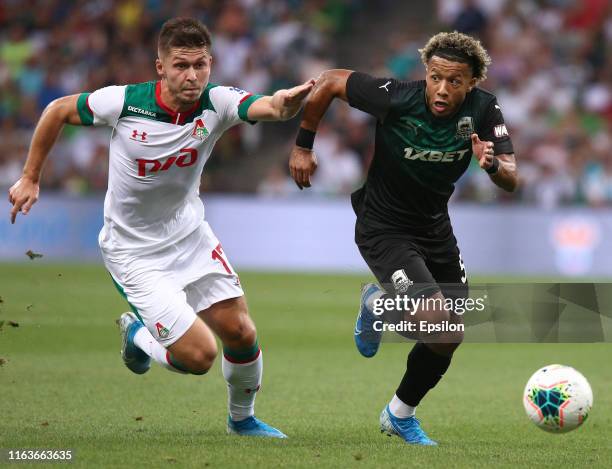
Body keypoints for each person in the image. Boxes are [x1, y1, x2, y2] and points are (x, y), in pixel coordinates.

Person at [9, 17, 314, 438]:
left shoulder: (217, 102)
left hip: (189, 237)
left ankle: (242, 420)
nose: (192, 76)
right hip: (133, 253)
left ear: (211, 64)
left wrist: (286, 102)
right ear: (161, 67)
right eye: (181, 65)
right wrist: (30, 176)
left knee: (241, 332)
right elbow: (57, 110)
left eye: (201, 65)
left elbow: (269, 106)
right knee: (199, 356)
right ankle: (136, 335)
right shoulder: (123, 103)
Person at [289, 31, 518, 445]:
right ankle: (379, 306)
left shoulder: (485, 109)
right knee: (433, 319)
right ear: (425, 74)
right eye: (435, 77)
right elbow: (328, 82)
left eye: (454, 81)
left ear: (471, 83)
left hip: (435, 229)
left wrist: (491, 166)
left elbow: (511, 178)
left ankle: (399, 413)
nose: (442, 88)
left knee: (450, 334)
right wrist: (303, 146)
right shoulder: (395, 96)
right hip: (384, 227)